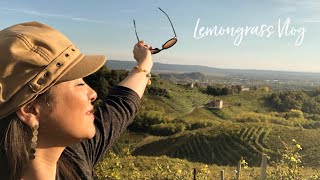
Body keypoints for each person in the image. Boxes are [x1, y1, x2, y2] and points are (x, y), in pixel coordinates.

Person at [0, 21, 153, 180]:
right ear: (31, 110)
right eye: (79, 83)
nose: (93, 93)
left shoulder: (75, 156)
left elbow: (121, 104)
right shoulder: (77, 161)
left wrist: (145, 63)